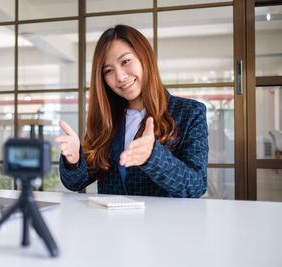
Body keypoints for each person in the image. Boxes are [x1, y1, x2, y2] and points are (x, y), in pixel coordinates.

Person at [55, 25, 208, 198]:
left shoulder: (190, 112)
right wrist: (74, 160)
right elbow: (76, 182)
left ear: (144, 57)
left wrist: (153, 157)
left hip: (165, 224)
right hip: (111, 224)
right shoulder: (106, 119)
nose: (120, 76)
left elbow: (196, 185)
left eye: (125, 61)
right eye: (109, 71)